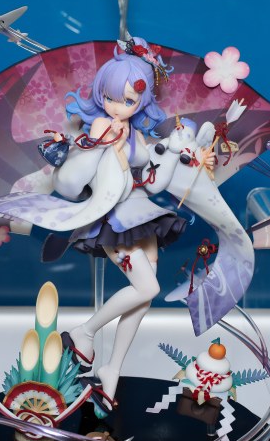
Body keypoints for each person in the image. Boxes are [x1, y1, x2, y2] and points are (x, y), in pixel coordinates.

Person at [44, 36, 215, 417]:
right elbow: (78, 176)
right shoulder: (98, 128)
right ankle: (85, 332)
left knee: (144, 297)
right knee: (148, 287)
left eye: (127, 100)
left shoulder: (134, 134)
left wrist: (177, 153)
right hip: (113, 219)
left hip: (141, 214)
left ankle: (112, 369)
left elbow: (152, 182)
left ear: (141, 102)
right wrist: (98, 142)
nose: (117, 106)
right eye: (109, 97)